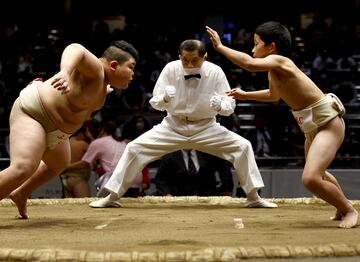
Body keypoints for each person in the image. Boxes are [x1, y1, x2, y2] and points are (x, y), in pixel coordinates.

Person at [89, 39, 277, 209]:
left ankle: (253, 196)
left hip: (206, 127)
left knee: (243, 147)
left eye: (194, 60)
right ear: (179, 56)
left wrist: (221, 105)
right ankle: (112, 196)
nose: (189, 65)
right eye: (185, 60)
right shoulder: (171, 69)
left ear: (205, 57)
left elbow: (230, 106)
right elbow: (154, 102)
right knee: (133, 148)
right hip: (173, 126)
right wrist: (164, 98)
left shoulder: (215, 72)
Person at [206, 22, 358, 228]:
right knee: (317, 175)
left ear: (272, 46)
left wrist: (221, 47)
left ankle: (349, 210)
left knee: (311, 178)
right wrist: (244, 94)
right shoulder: (274, 71)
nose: (252, 49)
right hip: (312, 126)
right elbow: (274, 96)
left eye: (256, 43)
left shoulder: (280, 61)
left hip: (328, 122)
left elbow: (249, 64)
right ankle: (342, 208)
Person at [0, 40, 139, 218]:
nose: (133, 74)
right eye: (131, 67)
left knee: (59, 163)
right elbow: (76, 49)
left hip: (57, 131)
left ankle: (20, 193)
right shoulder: (95, 69)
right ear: (113, 65)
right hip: (35, 113)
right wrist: (65, 72)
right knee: (23, 167)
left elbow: (84, 97)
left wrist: (103, 90)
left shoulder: (101, 85)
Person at [68, 120, 148, 199]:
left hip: (118, 180)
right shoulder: (121, 143)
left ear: (102, 130)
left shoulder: (98, 143)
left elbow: (85, 163)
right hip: (136, 179)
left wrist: (65, 167)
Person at [153, 149, 234, 196]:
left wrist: (226, 188)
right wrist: (167, 194)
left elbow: (224, 168)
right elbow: (160, 179)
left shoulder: (208, 152)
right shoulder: (169, 156)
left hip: (208, 196)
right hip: (179, 198)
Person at [60, 123, 94, 198]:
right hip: (78, 178)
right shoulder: (83, 144)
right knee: (84, 204)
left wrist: (66, 167)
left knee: (71, 207)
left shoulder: (65, 144)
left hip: (66, 178)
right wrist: (90, 137)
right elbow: (87, 161)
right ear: (81, 133)